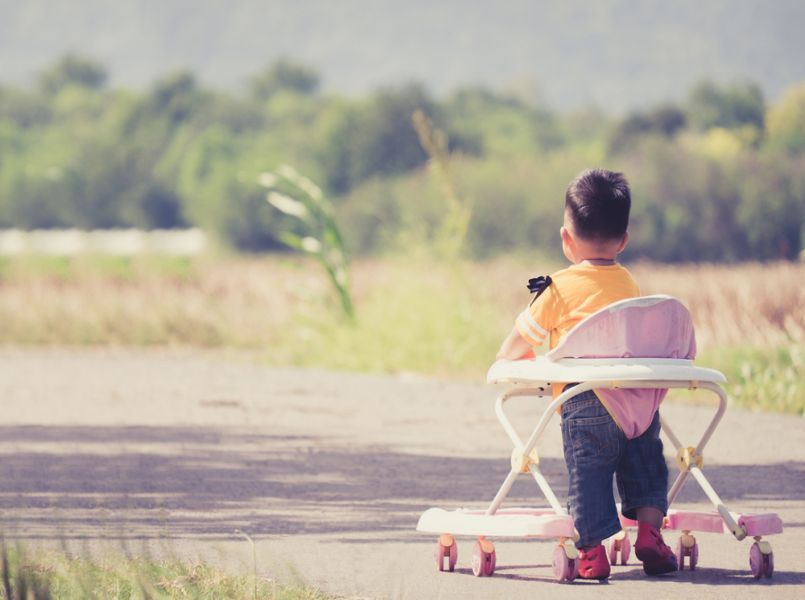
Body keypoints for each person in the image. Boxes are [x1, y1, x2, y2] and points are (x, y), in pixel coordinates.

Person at [496, 168, 678, 580]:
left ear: (566, 238)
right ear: (624, 240)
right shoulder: (630, 285)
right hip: (637, 403)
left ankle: (593, 553)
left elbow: (514, 347)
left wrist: (519, 362)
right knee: (646, 465)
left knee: (590, 477)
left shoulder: (557, 289)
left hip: (586, 404)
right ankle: (650, 533)